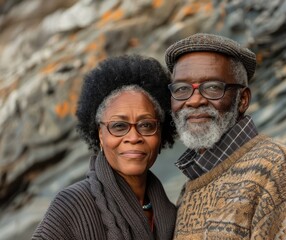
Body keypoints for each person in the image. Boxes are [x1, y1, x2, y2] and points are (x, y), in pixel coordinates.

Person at [165, 33, 286, 239]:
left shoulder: (279, 169)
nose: (194, 100)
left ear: (242, 99)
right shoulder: (192, 184)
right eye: (181, 89)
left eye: (213, 87)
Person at [32, 55, 177, 240]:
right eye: (119, 126)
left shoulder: (171, 214)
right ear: (100, 135)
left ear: (160, 134)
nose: (133, 137)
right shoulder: (71, 206)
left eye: (146, 125)